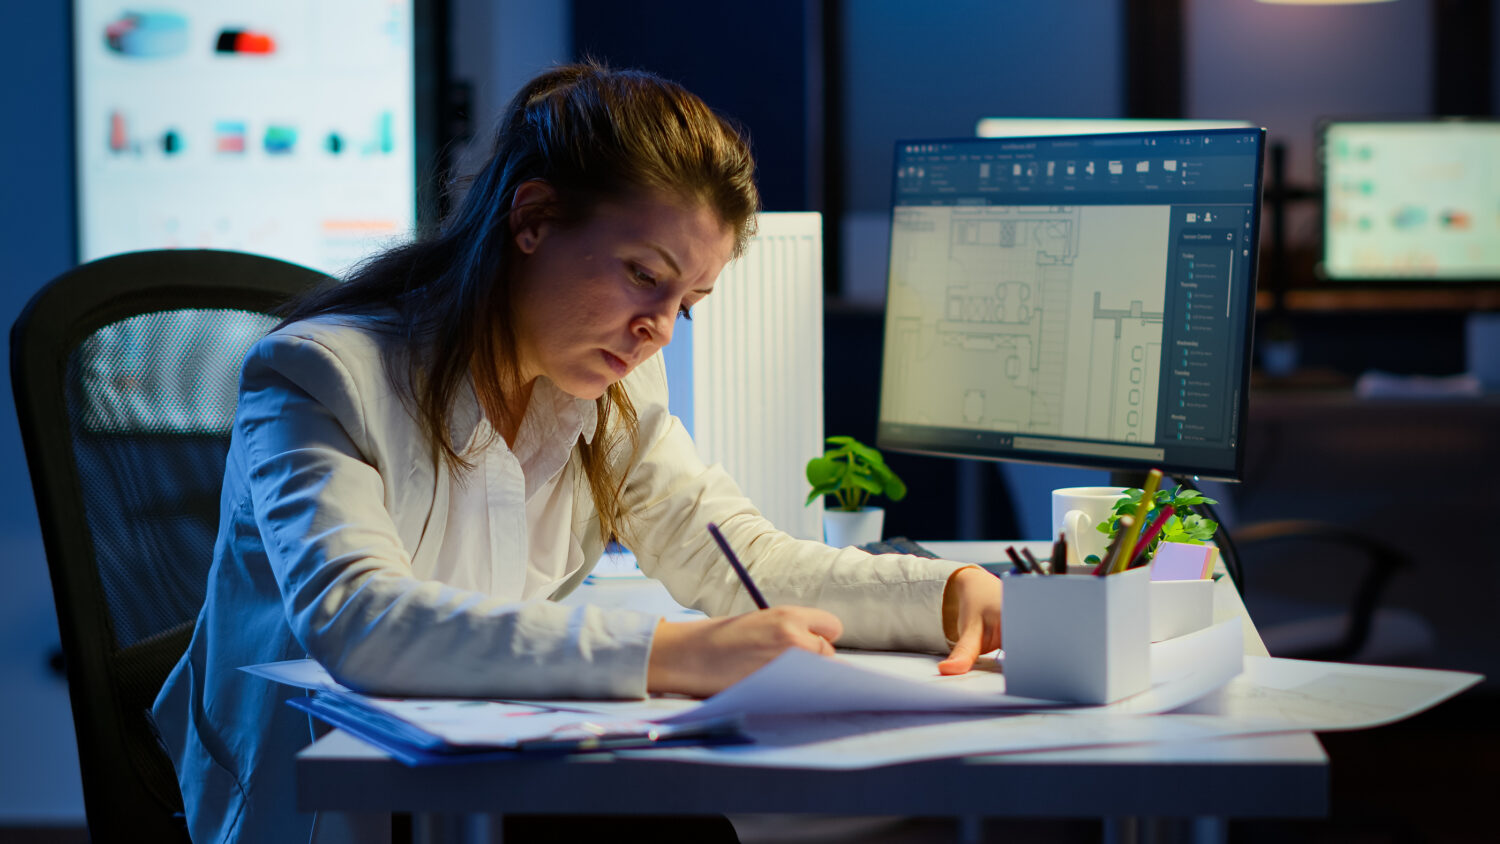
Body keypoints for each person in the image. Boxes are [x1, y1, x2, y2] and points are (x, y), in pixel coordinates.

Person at [151, 61, 1002, 844]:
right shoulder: (321, 375)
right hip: (333, 804)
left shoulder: (612, 392)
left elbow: (743, 561)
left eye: (688, 301)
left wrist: (945, 592)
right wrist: (674, 654)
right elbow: (362, 622)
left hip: (488, 772)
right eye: (643, 275)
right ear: (532, 219)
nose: (658, 329)